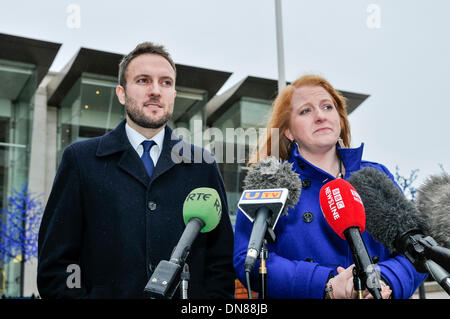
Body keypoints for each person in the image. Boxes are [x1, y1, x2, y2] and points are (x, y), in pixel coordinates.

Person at [37, 42, 235, 299]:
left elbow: (220, 264)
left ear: (174, 94)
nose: (155, 91)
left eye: (165, 83)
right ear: (121, 93)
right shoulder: (80, 160)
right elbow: (55, 266)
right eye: (143, 80)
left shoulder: (202, 164)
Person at [233, 74, 427, 299]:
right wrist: (326, 285)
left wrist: (385, 280)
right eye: (305, 111)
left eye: (327, 107)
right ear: (288, 131)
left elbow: (417, 250)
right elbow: (247, 258)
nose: (320, 117)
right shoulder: (269, 182)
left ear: (340, 119)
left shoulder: (376, 175)